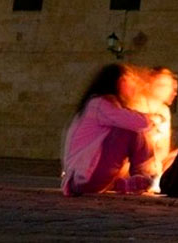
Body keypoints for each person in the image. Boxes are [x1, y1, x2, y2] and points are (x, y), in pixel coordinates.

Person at [61, 64, 157, 196]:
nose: (134, 85)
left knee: (130, 127)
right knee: (131, 130)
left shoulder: (96, 104)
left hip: (84, 178)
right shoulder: (100, 104)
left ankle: (126, 182)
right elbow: (141, 123)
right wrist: (153, 118)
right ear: (119, 82)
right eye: (129, 80)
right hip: (86, 176)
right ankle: (144, 176)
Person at [140, 67, 178, 171]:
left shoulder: (164, 111)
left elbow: (163, 149)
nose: (172, 91)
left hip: (154, 169)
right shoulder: (137, 107)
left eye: (172, 87)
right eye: (163, 85)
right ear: (149, 85)